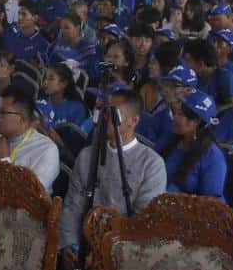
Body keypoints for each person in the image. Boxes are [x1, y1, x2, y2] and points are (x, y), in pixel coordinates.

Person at [59, 88, 167, 258]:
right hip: (83, 243)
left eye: (112, 115)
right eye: (103, 113)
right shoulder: (88, 155)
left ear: (133, 121)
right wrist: (70, 245)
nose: (104, 119)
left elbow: (143, 221)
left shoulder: (152, 164)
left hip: (123, 251)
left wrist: (106, 254)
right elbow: (73, 205)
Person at [0, 86, 59, 189]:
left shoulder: (46, 150)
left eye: (2, 113)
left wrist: (3, 161)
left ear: (22, 118)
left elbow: (30, 195)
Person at [161, 89, 229, 199]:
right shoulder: (170, 138)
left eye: (180, 114)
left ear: (196, 121)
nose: (174, 118)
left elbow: (210, 202)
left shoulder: (213, 157)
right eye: (175, 113)